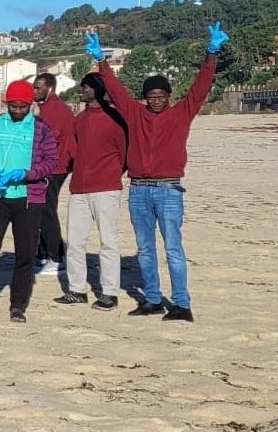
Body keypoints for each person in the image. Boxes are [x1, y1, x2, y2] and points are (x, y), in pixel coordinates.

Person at [86, 24, 224, 321]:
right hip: (138, 189)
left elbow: (200, 87)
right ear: (145, 97)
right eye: (151, 95)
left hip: (169, 189)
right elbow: (116, 90)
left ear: (169, 96)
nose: (156, 99)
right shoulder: (135, 113)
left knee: (173, 247)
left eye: (161, 95)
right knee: (145, 248)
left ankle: (182, 303)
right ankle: (151, 298)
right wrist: (101, 61)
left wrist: (211, 54)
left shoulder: (181, 113)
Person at [0, 79, 60, 323]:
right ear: (6, 103)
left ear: (30, 104)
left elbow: (51, 161)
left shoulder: (41, 128)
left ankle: (17, 305)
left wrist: (27, 174)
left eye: (22, 107)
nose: (17, 111)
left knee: (25, 253)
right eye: (13, 106)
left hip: (28, 199)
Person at [57, 72, 128, 311]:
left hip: (106, 188)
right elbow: (74, 151)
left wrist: (111, 173)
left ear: (96, 90)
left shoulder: (116, 118)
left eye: (85, 88)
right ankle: (77, 289)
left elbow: (124, 153)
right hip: (79, 188)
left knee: (108, 242)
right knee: (76, 242)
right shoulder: (80, 119)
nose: (81, 91)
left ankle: (109, 293)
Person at [32, 72, 77, 278]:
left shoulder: (53, 110)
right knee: (42, 209)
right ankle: (43, 253)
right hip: (57, 165)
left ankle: (56, 257)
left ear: (50, 88)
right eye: (34, 87)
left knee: (46, 211)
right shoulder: (50, 108)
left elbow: (47, 140)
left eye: (38, 87)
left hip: (53, 167)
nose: (35, 91)